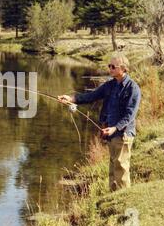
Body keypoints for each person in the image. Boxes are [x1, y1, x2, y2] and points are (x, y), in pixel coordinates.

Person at [58, 53, 141, 191]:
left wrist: (115, 128)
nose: (110, 69)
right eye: (109, 66)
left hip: (123, 134)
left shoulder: (133, 88)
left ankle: (123, 197)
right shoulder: (109, 85)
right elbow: (91, 96)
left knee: (121, 166)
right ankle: (113, 197)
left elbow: (130, 114)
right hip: (110, 133)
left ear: (124, 69)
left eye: (113, 66)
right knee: (113, 167)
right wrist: (71, 99)